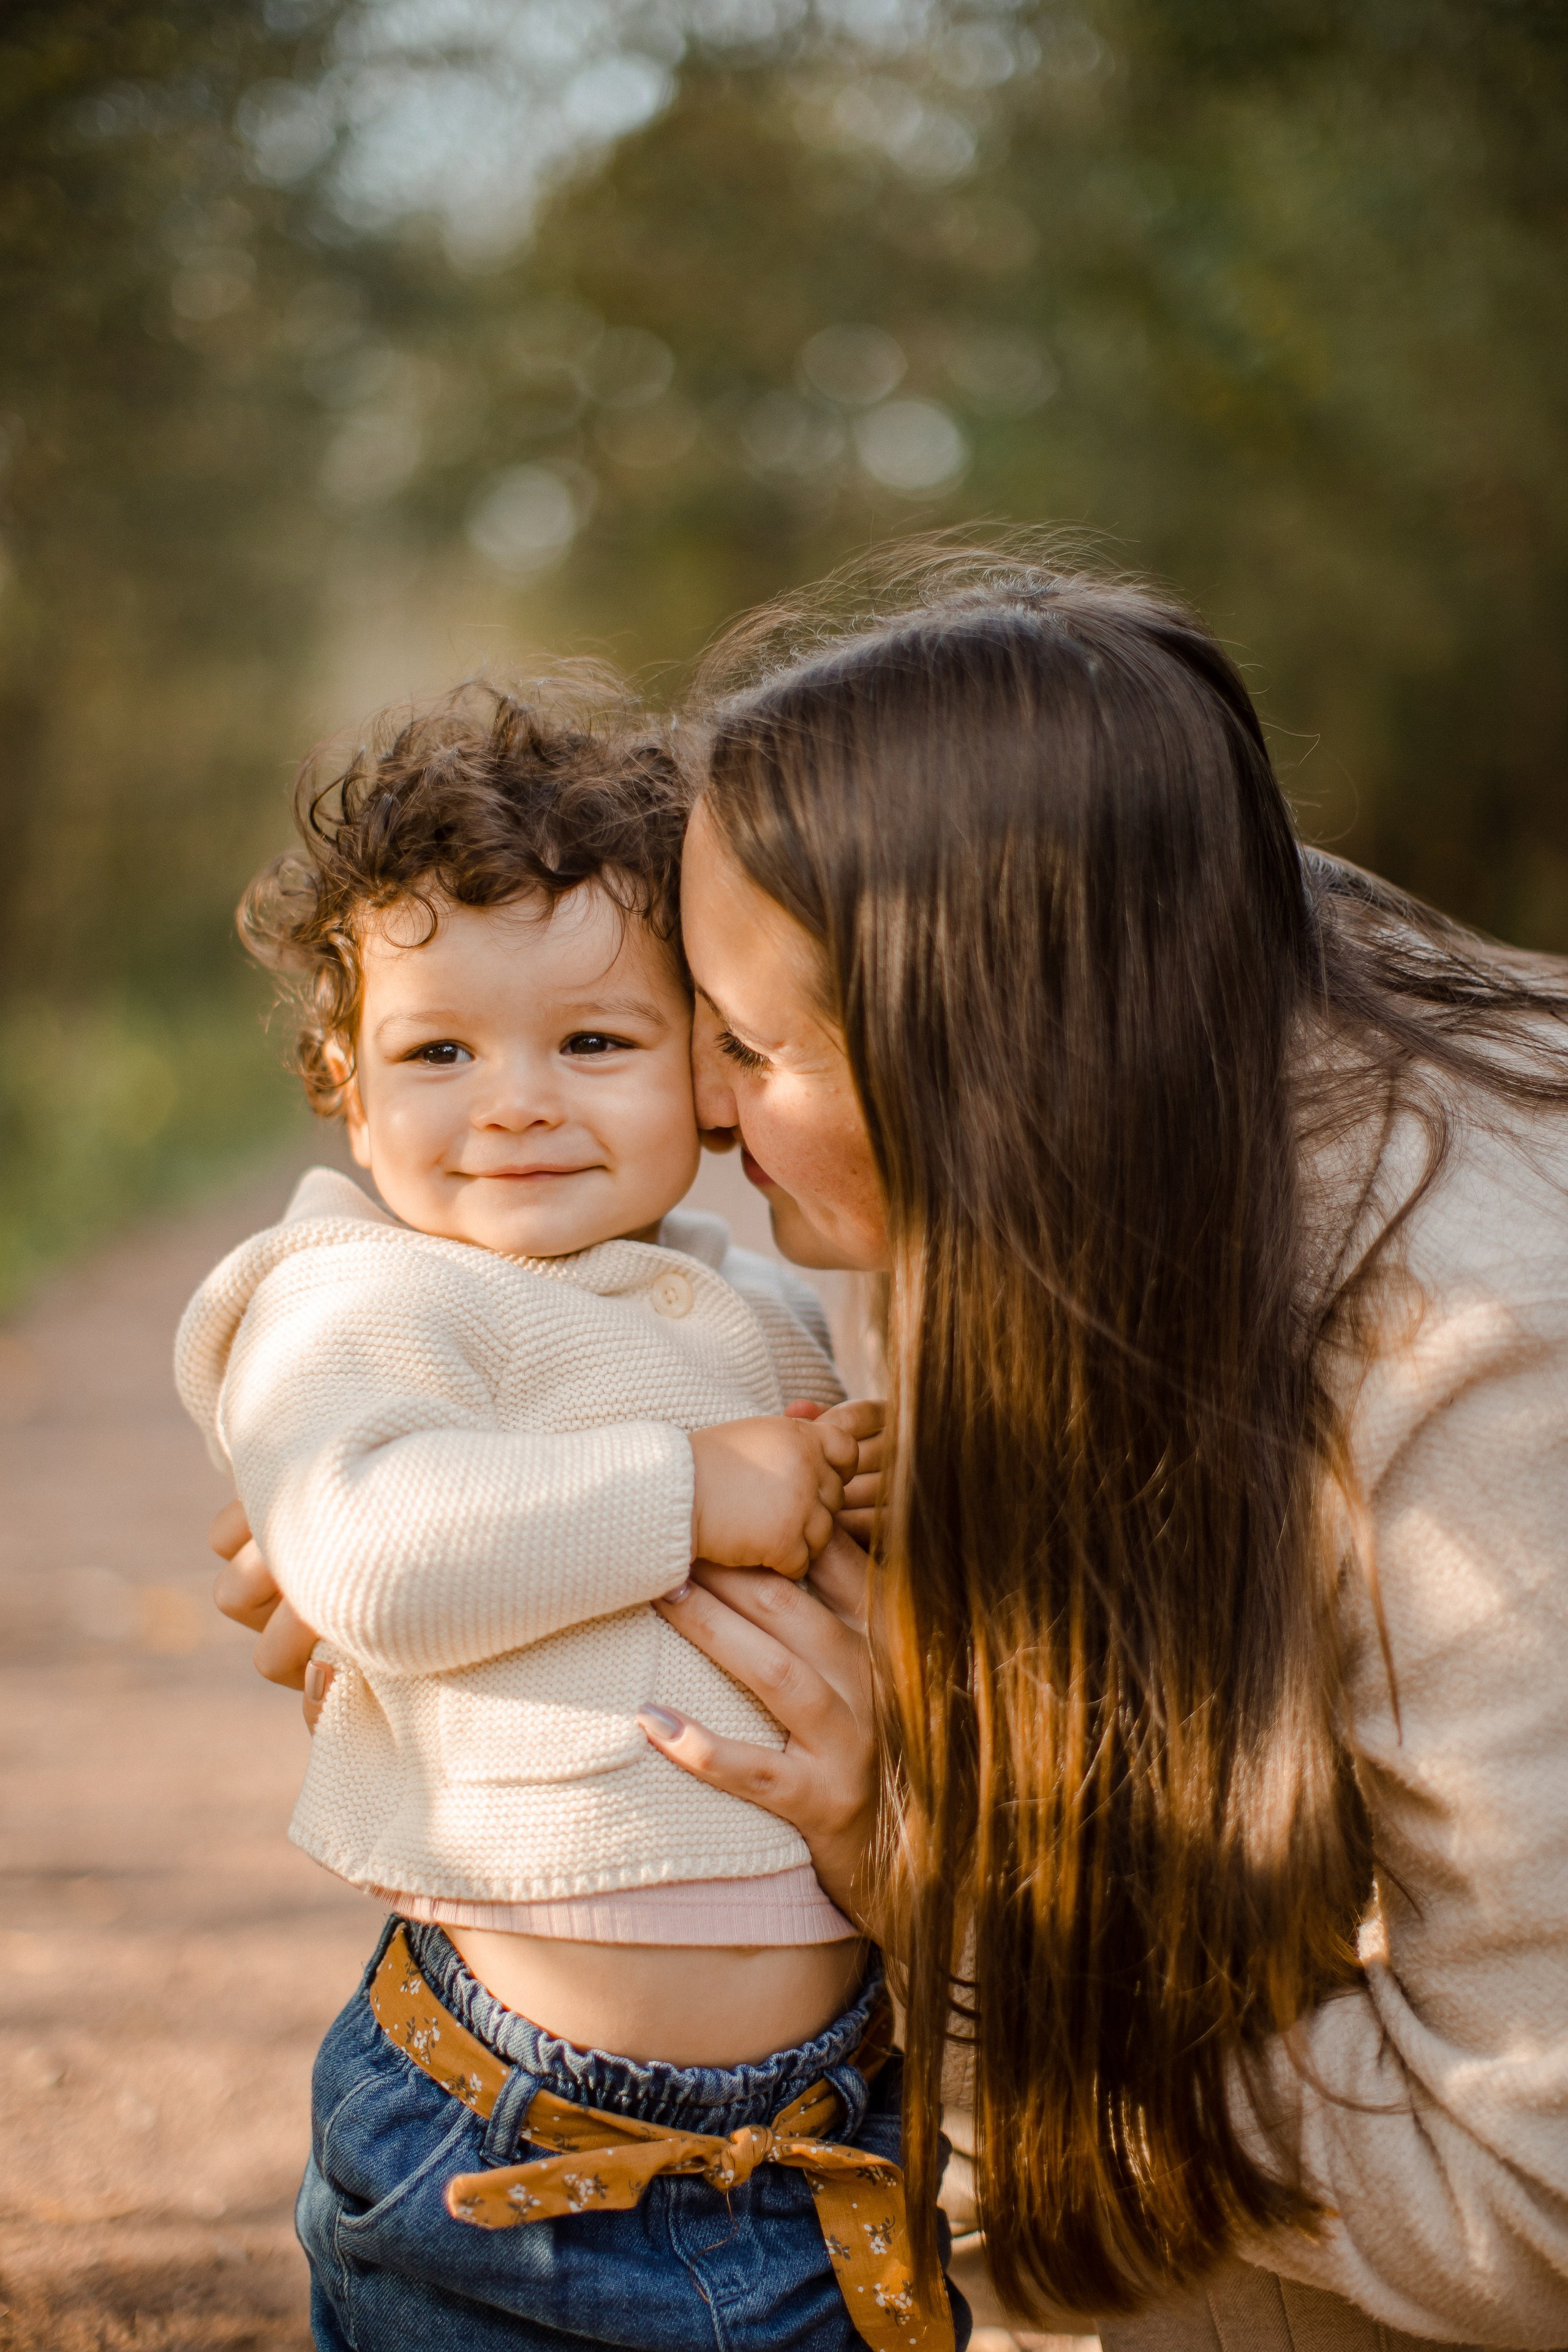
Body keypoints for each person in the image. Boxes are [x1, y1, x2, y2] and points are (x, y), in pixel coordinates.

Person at [221, 554, 1568, 2351]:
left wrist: (943, 1901)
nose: (698, 1112)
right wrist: (503, 1535)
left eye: (738, 1047)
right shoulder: (1065, 1078)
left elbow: (1531, 2193)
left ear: (979, 1053)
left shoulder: (1487, 1360)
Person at [182, 684, 963, 2352]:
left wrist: (869, 1483)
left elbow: (831, 1571)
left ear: (706, 1067)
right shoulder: (358, 1298)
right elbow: (366, 1546)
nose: (517, 1102)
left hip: (824, 2128)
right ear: (346, 1088)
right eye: (439, 1053)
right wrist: (699, 1487)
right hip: (499, 2136)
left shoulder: (759, 1298)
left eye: (593, 1043)